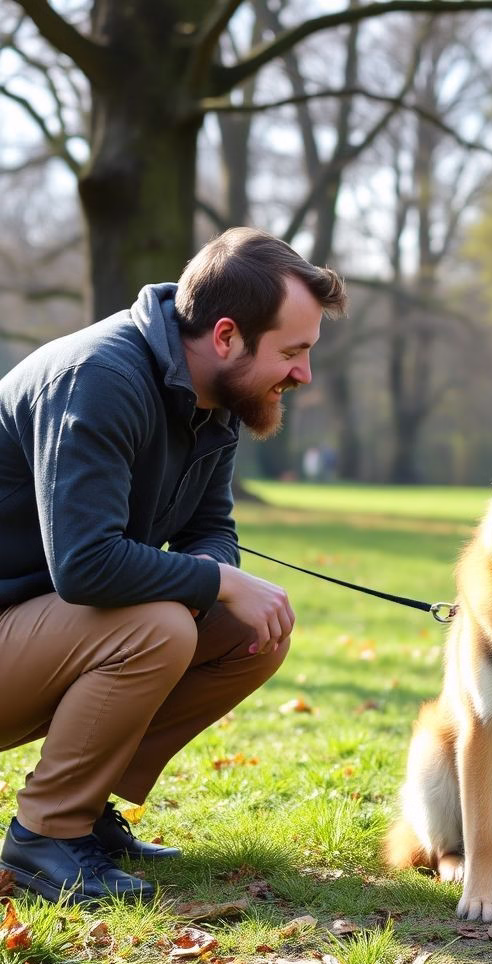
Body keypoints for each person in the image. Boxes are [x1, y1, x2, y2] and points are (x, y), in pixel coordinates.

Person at [0, 227, 347, 904]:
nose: (303, 375)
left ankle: (86, 808)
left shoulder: (213, 400)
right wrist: (216, 580)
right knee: (158, 627)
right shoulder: (98, 379)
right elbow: (84, 564)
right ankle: (46, 835)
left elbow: (211, 527)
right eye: (292, 352)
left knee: (253, 628)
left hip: (39, 633)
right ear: (226, 337)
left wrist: (217, 579)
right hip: (20, 623)